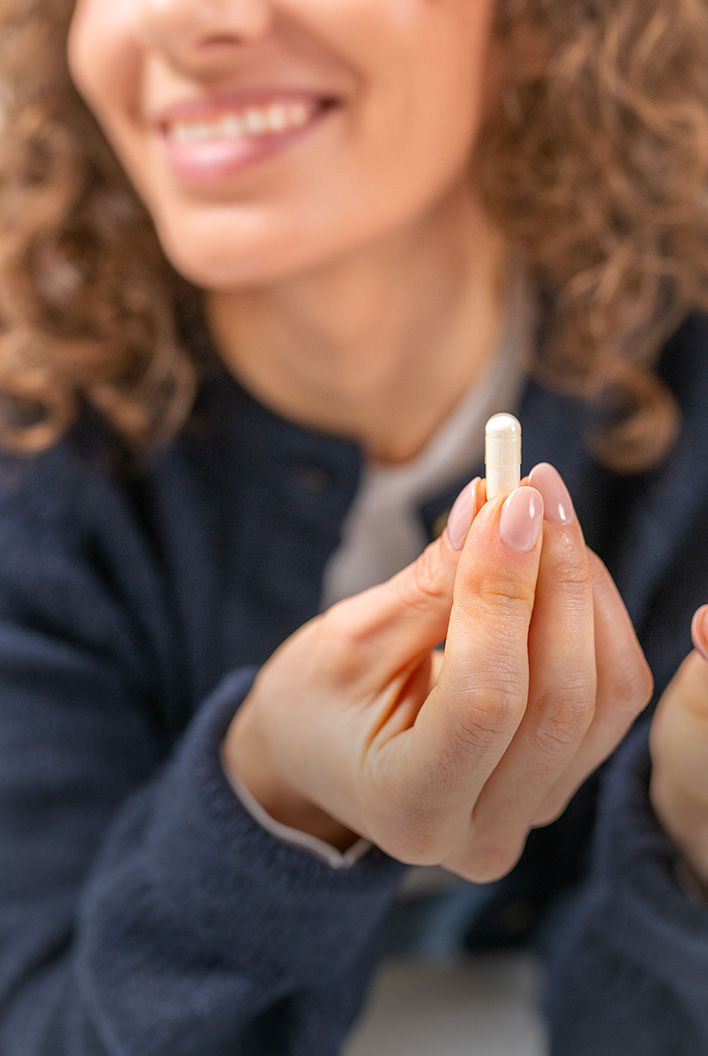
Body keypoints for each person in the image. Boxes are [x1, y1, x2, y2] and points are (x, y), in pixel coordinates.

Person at [0, 1, 707, 1053]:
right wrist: (269, 793)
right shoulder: (32, 468)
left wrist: (691, 845)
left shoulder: (687, 386)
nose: (189, 21)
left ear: (541, 21)